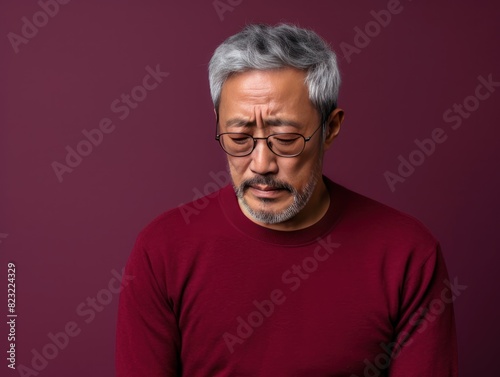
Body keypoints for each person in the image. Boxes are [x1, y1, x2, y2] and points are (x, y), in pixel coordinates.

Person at [115, 23, 458, 376]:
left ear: (330, 129)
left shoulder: (407, 254)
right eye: (239, 137)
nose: (261, 165)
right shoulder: (162, 251)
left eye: (286, 138)